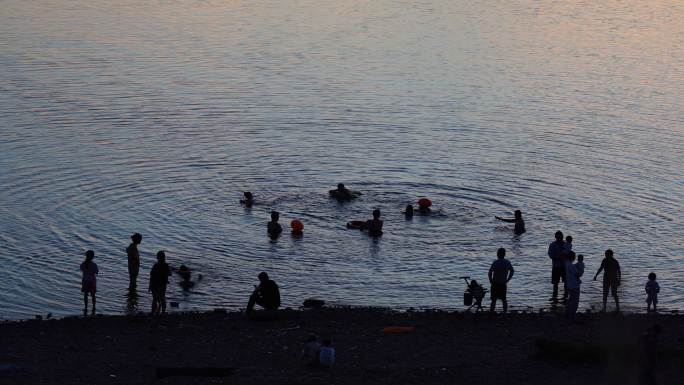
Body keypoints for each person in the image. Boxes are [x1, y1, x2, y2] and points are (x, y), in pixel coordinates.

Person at [488, 248, 514, 315]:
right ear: (504, 254)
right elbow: (512, 270)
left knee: (493, 299)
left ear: (497, 254)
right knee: (504, 299)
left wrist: (490, 279)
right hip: (503, 283)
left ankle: (491, 313)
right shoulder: (507, 262)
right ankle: (505, 313)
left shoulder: (496, 262)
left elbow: (490, 272)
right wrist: (508, 279)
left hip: (495, 283)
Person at [149, 251, 172, 315]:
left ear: (157, 258)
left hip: (155, 285)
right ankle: (163, 312)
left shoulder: (155, 266)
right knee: (163, 298)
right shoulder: (166, 266)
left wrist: (150, 285)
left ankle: (152, 312)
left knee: (155, 299)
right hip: (163, 285)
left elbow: (152, 277)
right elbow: (170, 274)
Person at [548, 231, 567, 300]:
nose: (560, 239)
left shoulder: (565, 245)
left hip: (564, 266)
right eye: (559, 237)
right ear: (556, 237)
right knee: (555, 284)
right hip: (556, 266)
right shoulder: (552, 245)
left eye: (561, 237)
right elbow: (551, 255)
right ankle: (555, 298)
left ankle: (565, 296)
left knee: (566, 282)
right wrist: (559, 258)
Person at [564, 251, 582, 320]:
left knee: (570, 300)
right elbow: (578, 274)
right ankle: (572, 315)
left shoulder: (567, 264)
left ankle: (566, 313)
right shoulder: (571, 265)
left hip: (570, 284)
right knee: (575, 301)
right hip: (574, 285)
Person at [80, 250, 99, 314]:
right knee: (93, 295)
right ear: (93, 257)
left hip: (85, 280)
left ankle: (85, 307)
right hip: (92, 281)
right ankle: (93, 307)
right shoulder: (94, 265)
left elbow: (81, 269)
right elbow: (96, 272)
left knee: (85, 295)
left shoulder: (83, 264)